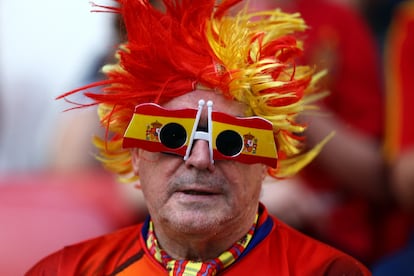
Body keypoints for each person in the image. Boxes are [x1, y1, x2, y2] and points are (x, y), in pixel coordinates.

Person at [26, 0, 371, 275]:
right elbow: (66, 167)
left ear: (270, 158)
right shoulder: (63, 269)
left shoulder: (332, 270)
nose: (200, 156)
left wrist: (281, 96)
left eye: (231, 140)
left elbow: (379, 174)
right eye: (172, 134)